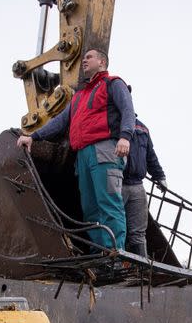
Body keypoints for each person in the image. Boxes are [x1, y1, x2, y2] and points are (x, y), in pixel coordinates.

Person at [16, 49, 135, 251]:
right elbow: (60, 123)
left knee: (108, 203)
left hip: (104, 151)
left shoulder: (113, 84)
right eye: (84, 58)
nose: (84, 61)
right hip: (83, 155)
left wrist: (125, 136)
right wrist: (33, 136)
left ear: (102, 62)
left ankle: (115, 253)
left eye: (89, 57)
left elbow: (128, 110)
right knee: (90, 209)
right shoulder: (79, 96)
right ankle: (100, 254)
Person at [122, 118, 167, 257]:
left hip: (137, 186)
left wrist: (160, 176)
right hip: (117, 182)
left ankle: (141, 270)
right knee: (114, 226)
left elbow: (150, 155)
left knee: (139, 232)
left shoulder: (143, 128)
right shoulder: (111, 120)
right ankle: (113, 264)